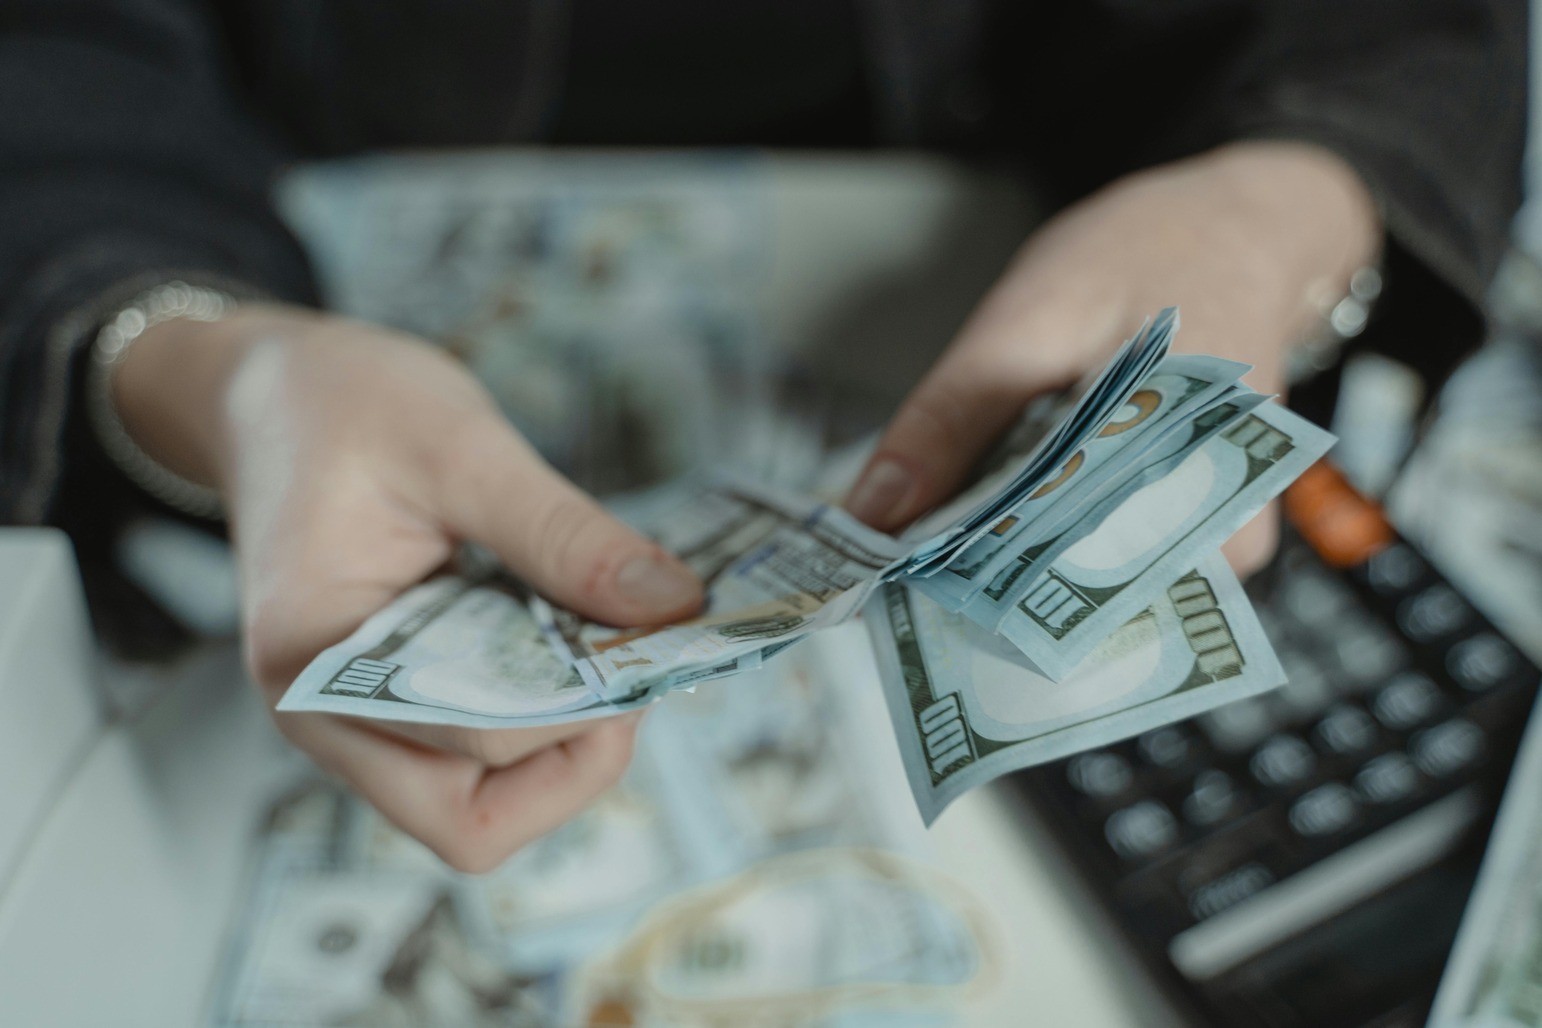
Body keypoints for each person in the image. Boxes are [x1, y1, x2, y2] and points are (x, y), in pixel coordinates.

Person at [0, 0, 1524, 872]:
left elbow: (1400, 28)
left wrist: (1293, 197)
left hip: (981, 299)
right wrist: (188, 360)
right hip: (285, 347)